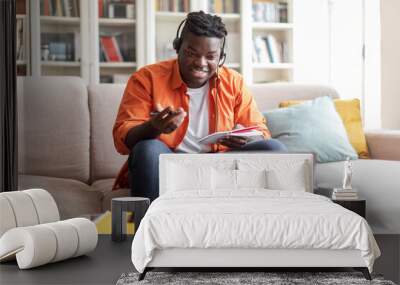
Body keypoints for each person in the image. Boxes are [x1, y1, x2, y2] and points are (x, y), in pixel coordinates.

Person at [112, 11, 287, 201]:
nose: (200, 63)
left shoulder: (234, 82)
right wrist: (153, 127)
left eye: (210, 57)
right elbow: (124, 138)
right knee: (147, 150)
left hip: (220, 167)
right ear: (177, 47)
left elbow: (261, 132)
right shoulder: (146, 79)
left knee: (274, 148)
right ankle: (149, 226)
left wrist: (245, 137)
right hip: (170, 165)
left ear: (221, 57)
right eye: (191, 53)